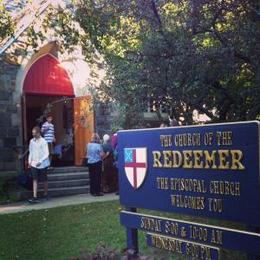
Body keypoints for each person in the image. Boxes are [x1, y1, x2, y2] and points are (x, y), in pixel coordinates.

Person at [28, 126, 50, 203]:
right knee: (35, 179)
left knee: (44, 179)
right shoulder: (31, 141)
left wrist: (40, 161)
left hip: (42, 164)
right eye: (32, 133)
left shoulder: (43, 141)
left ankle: (46, 193)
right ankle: (35, 196)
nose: (33, 134)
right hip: (34, 163)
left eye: (34, 133)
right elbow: (31, 151)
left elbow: (46, 153)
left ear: (38, 133)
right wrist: (29, 161)